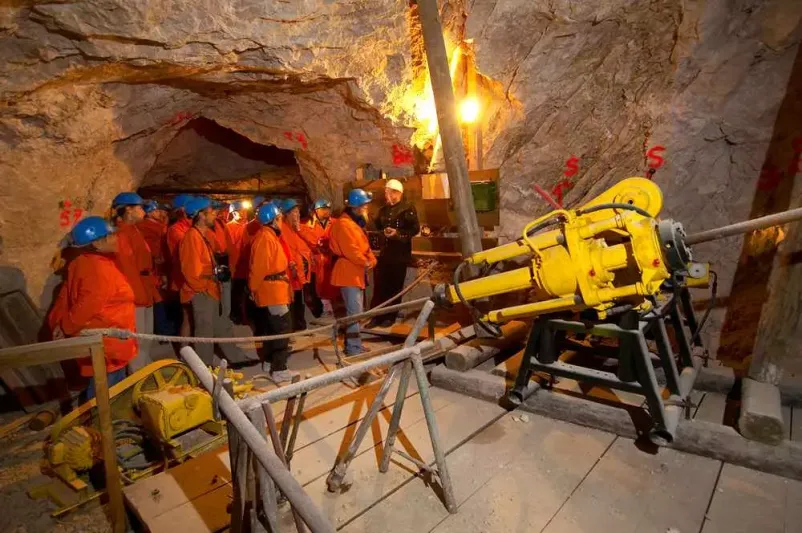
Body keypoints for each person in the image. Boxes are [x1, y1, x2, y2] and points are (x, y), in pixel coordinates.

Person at [52, 217, 137, 401]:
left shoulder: (84, 262)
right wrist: (66, 327)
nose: (116, 238)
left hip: (109, 342)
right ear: (97, 242)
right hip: (107, 345)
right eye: (111, 235)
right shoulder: (98, 269)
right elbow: (87, 306)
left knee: (106, 391)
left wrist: (64, 325)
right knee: (107, 395)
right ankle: (101, 428)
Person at [179, 196, 251, 366]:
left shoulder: (203, 235)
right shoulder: (191, 237)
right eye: (211, 212)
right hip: (202, 290)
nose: (214, 215)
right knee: (204, 331)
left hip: (211, 287)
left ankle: (236, 358)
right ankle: (204, 367)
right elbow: (191, 271)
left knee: (221, 325)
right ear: (201, 215)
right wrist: (203, 286)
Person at [248, 202, 297, 383]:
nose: (282, 221)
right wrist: (252, 288)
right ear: (274, 219)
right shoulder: (265, 239)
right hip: (273, 291)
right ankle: (279, 368)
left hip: (274, 289)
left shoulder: (267, 236)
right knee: (282, 328)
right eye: (280, 218)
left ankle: (269, 362)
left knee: (271, 328)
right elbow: (258, 268)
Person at [111, 192, 159, 371]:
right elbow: (128, 268)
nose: (143, 211)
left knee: (146, 336)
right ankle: (140, 377)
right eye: (139, 207)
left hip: (144, 287)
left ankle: (146, 370)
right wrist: (139, 295)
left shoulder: (134, 230)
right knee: (138, 339)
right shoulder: (122, 234)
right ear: (128, 210)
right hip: (136, 292)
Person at [329, 189, 377, 356]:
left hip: (355, 272)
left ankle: (355, 343)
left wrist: (371, 258)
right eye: (364, 206)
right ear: (357, 207)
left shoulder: (353, 224)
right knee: (354, 313)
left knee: (357, 312)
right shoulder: (344, 225)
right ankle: (353, 348)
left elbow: (363, 246)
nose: (366, 209)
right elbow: (352, 250)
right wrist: (366, 261)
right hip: (348, 272)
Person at [368, 179, 420, 327]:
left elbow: (414, 229)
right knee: (380, 286)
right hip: (385, 254)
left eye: (388, 191)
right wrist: (382, 232)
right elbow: (377, 226)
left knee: (395, 287)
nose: (386, 194)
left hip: (400, 255)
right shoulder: (383, 210)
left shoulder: (407, 208)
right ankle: (376, 316)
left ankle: (389, 317)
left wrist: (398, 234)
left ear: (396, 193)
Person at [138, 200, 178, 336]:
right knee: (158, 297)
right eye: (155, 210)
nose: (159, 213)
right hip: (152, 266)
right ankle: (163, 329)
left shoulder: (154, 225)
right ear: (149, 212)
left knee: (160, 296)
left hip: (156, 265)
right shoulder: (146, 225)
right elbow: (161, 235)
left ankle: (163, 327)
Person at [279, 199, 312, 331]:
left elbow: (311, 243)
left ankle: (299, 325)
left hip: (299, 273)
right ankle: (292, 327)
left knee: (298, 300)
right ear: (286, 214)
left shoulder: (298, 228)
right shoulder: (282, 229)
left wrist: (299, 229)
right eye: (294, 212)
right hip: (290, 271)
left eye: (298, 212)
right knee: (290, 301)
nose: (297, 215)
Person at [298, 198, 335, 320]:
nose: (326, 211)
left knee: (331, 286)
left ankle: (331, 310)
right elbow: (302, 244)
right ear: (316, 210)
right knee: (316, 289)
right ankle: (321, 311)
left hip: (331, 260)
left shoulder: (335, 223)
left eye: (328, 209)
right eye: (324, 209)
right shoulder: (305, 226)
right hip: (315, 263)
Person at [166, 194, 194, 337]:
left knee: (194, 318)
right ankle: (185, 350)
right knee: (187, 317)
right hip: (183, 279)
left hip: (192, 279)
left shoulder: (188, 228)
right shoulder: (176, 229)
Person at [227, 199, 252, 325]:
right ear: (233, 213)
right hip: (236, 267)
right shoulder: (228, 228)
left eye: (244, 210)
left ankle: (247, 316)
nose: (243, 213)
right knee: (237, 293)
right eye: (240, 211)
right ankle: (236, 316)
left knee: (248, 293)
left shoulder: (249, 225)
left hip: (249, 266)